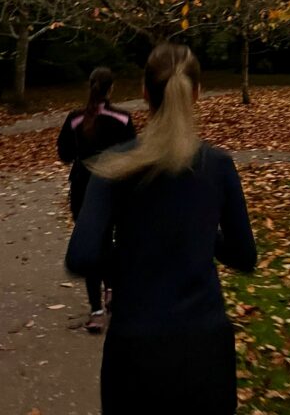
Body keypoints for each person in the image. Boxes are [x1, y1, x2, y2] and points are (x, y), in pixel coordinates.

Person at [65, 42, 257, 415]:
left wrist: (132, 255)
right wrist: (198, 237)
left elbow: (82, 255)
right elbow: (245, 256)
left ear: (143, 92)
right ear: (196, 93)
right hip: (205, 350)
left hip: (135, 349)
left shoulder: (114, 166)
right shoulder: (218, 166)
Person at [57, 67, 136, 333]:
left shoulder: (75, 119)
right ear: (111, 89)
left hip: (83, 187)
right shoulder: (123, 119)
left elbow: (65, 154)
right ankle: (112, 290)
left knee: (92, 242)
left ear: (89, 86)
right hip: (115, 186)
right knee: (112, 239)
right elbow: (132, 154)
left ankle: (96, 311)